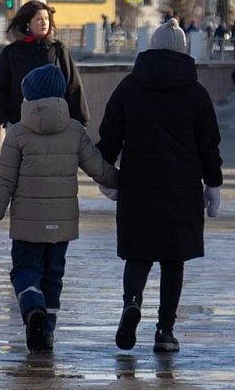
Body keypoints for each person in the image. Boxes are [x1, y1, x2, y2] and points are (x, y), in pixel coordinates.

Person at [0, 64, 119, 352]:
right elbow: (99, 169)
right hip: (62, 225)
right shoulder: (74, 130)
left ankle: (32, 307)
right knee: (53, 276)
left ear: (29, 97)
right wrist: (129, 184)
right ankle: (45, 332)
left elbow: (4, 182)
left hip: (27, 224)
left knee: (24, 269)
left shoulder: (18, 133)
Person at [96, 18, 224, 353]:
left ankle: (132, 303)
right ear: (183, 50)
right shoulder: (196, 93)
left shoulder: (129, 86)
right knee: (173, 260)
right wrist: (214, 185)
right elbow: (209, 144)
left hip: (137, 183)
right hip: (182, 188)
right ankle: (165, 331)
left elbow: (109, 137)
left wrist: (106, 177)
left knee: (138, 255)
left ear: (150, 48)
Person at [0, 0, 88, 149]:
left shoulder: (57, 49)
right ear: (28, 23)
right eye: (39, 19)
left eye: (46, 19)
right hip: (19, 123)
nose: (44, 23)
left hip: (54, 123)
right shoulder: (12, 52)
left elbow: (72, 85)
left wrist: (81, 121)